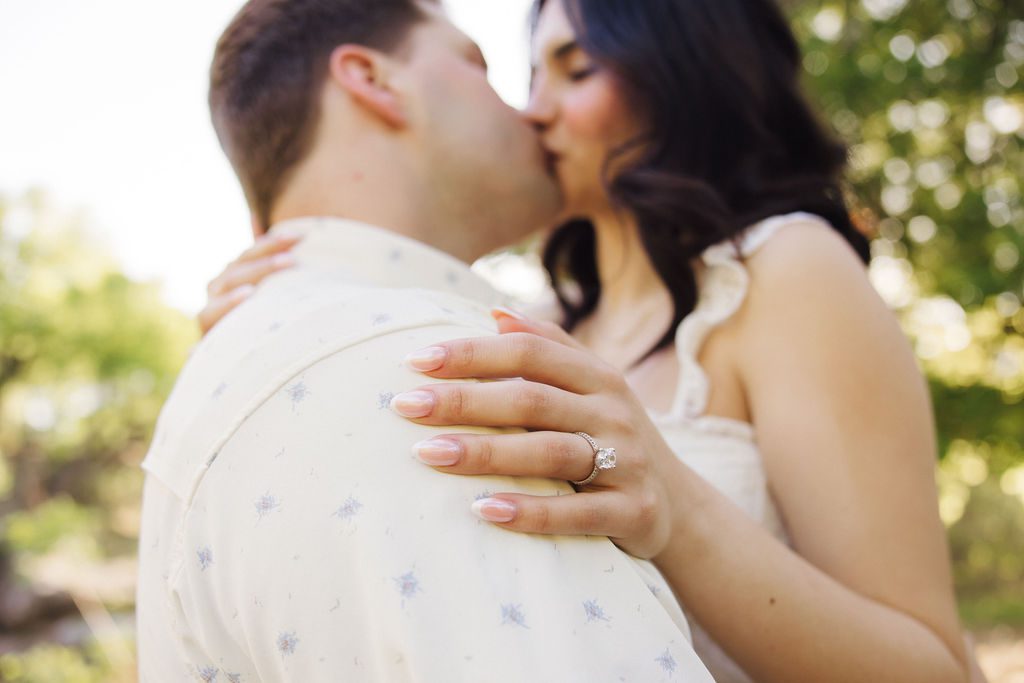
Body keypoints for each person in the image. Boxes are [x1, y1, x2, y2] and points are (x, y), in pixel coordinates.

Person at [203, 0, 989, 681]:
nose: (534, 110)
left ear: (681, 73)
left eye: (575, 71)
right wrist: (280, 321)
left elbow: (937, 667)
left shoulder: (782, 270)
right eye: (532, 76)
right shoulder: (527, 322)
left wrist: (676, 503)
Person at [135, 0, 718, 681]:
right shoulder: (436, 370)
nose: (531, 112)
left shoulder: (230, 371)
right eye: (479, 64)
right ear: (372, 79)